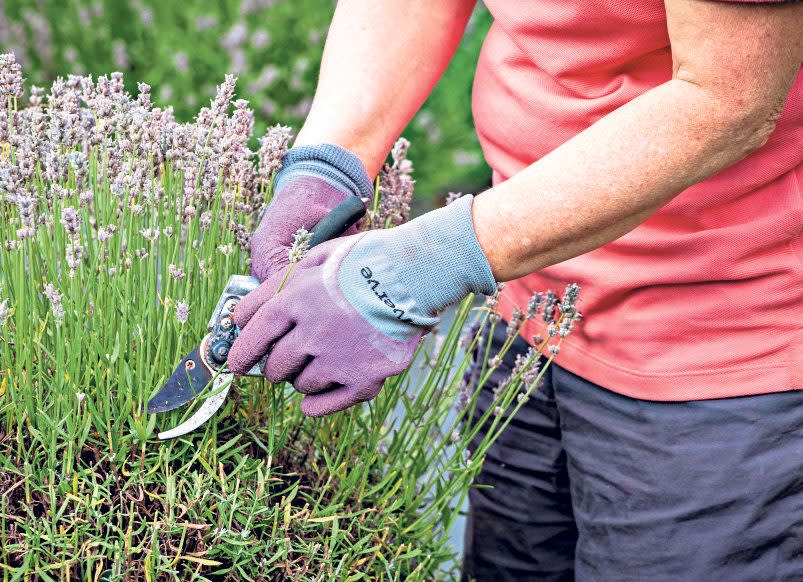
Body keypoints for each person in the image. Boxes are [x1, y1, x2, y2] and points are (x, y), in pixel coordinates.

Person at [227, 0, 803, 579]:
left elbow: (728, 99)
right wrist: (330, 162)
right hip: (524, 311)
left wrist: (428, 263)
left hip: (723, 346)